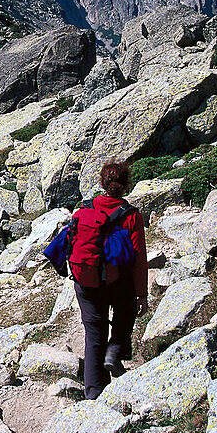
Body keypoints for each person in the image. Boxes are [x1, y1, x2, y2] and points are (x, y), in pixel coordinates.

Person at [69, 161, 149, 400]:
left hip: (85, 282)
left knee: (94, 335)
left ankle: (94, 394)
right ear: (126, 186)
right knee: (126, 311)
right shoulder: (131, 215)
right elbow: (138, 260)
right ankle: (114, 352)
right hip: (116, 283)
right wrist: (142, 294)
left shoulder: (84, 209)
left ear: (102, 184)